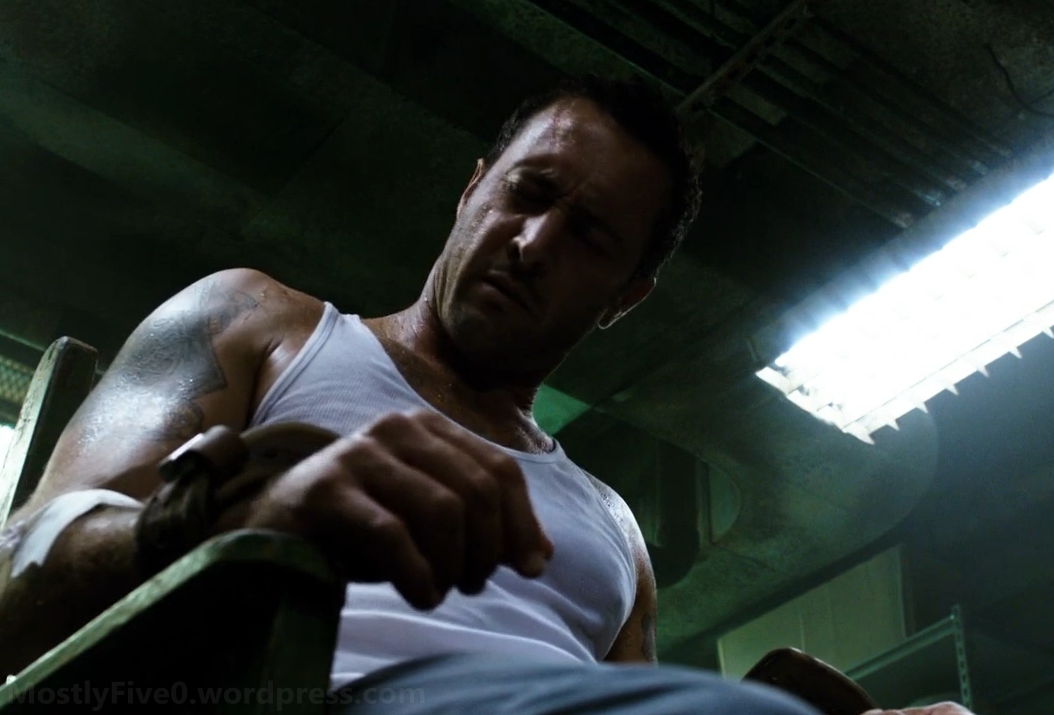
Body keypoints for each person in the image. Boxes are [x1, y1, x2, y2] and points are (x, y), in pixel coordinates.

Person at [0, 77, 973, 715]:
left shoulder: (613, 524)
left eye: (589, 235)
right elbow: (12, 580)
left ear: (623, 300)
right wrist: (224, 523)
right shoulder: (261, 321)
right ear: (472, 190)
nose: (534, 242)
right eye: (529, 192)